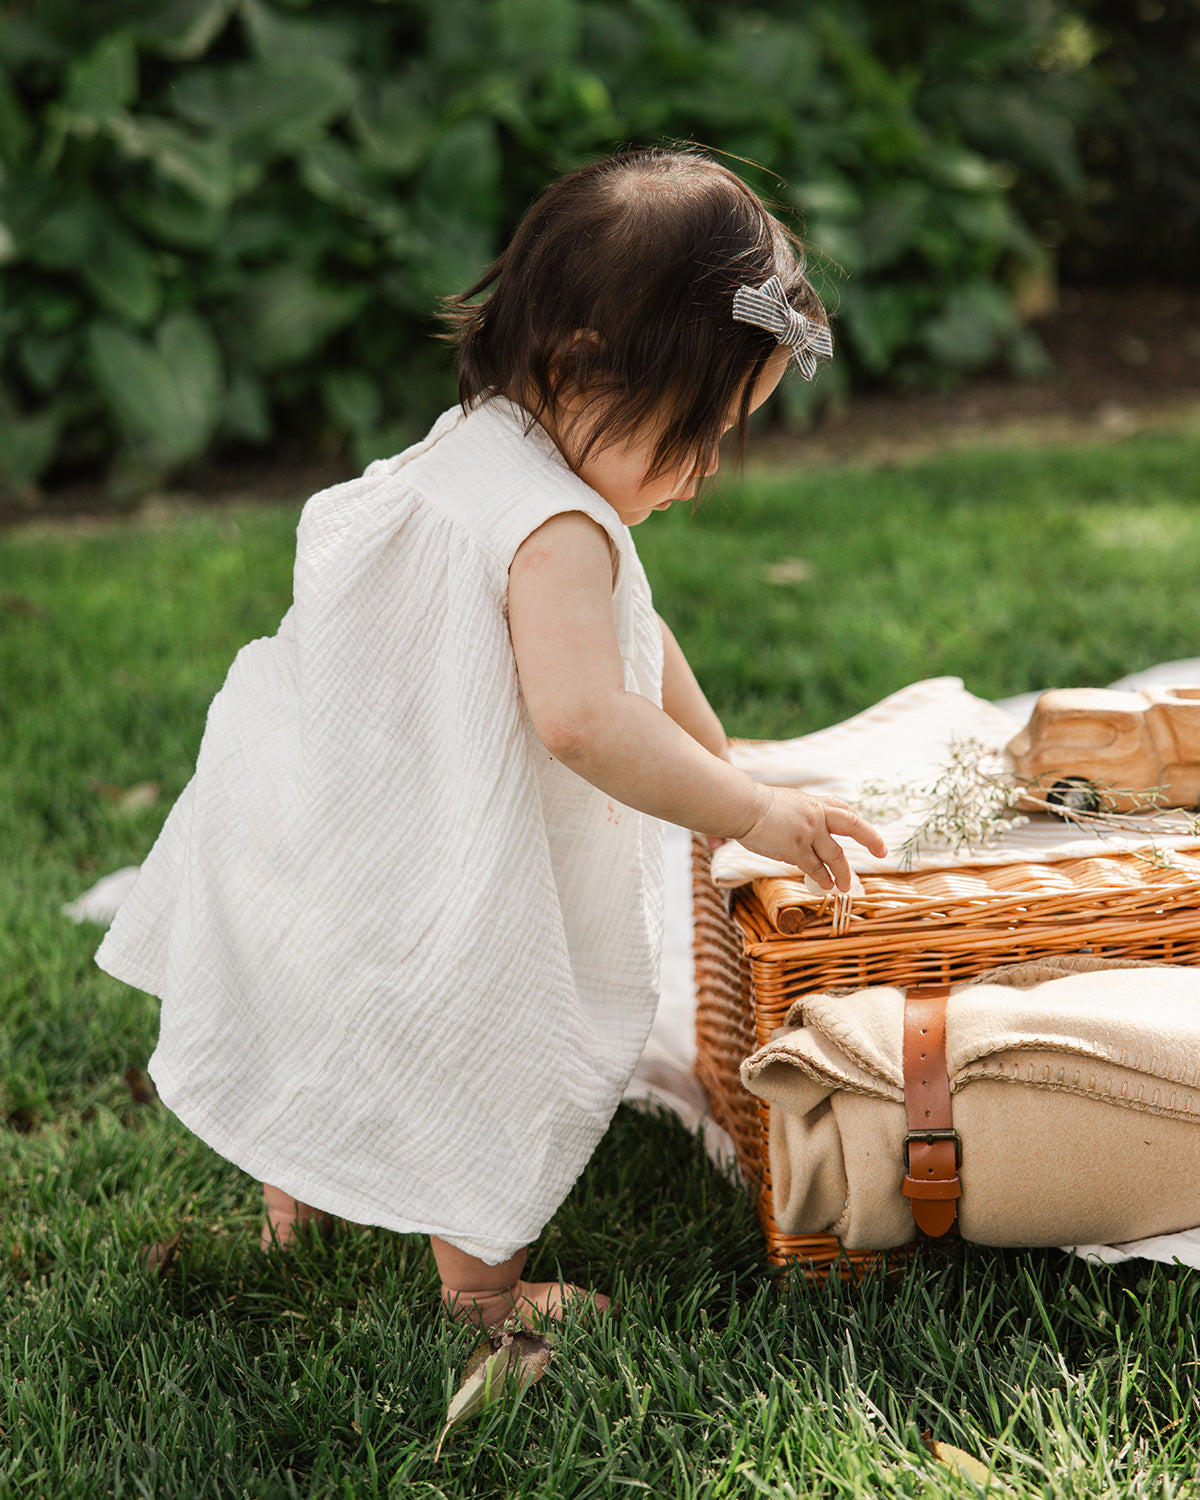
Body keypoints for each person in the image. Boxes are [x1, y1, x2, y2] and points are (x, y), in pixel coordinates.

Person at [96, 146, 886, 1333]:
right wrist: (754, 813)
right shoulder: (558, 525)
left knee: (325, 1004)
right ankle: (486, 1295)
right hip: (453, 851)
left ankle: (297, 1202)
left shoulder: (483, 442)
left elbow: (637, 632)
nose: (704, 474)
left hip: (333, 808)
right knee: (492, 1043)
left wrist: (717, 754)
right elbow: (582, 716)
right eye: (695, 435)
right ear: (580, 366)